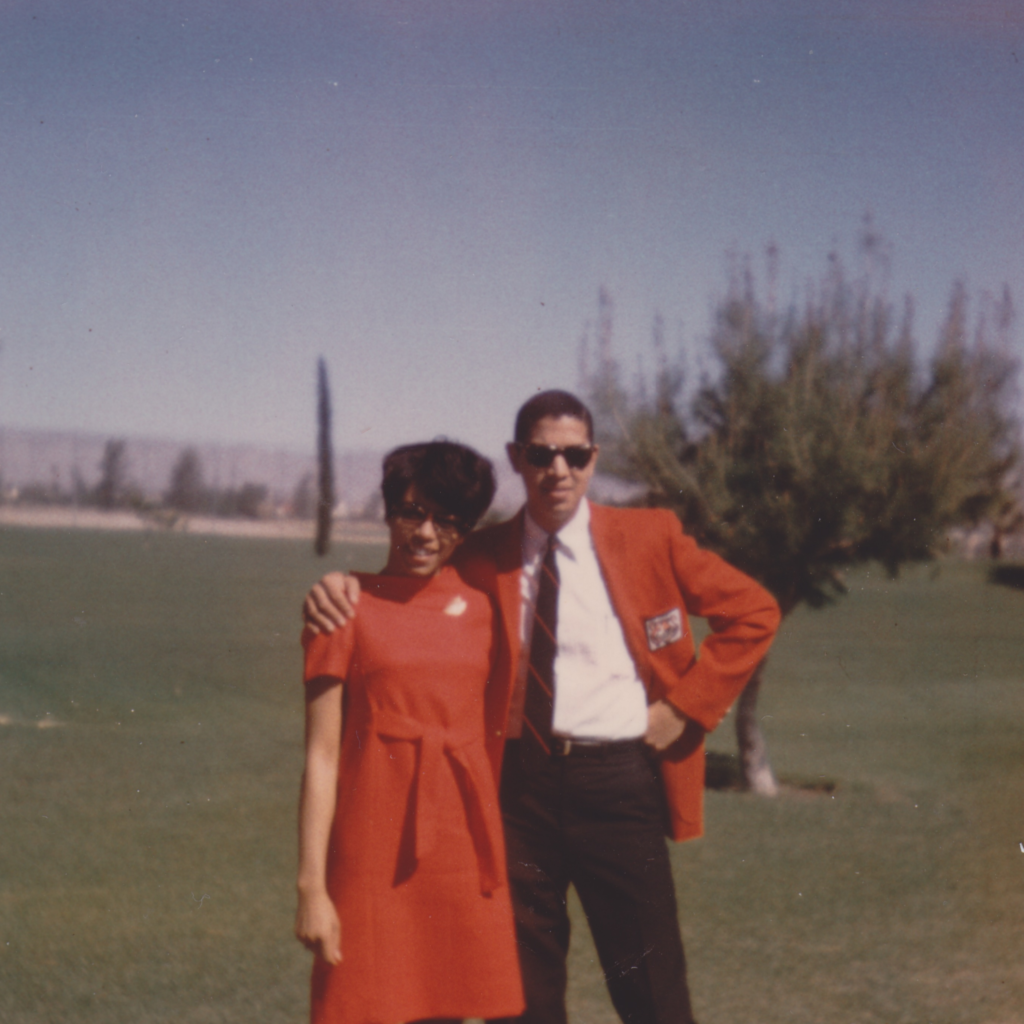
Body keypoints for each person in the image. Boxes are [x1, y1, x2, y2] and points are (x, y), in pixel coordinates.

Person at [304, 391, 781, 1024]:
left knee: (653, 989)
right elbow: (407, 584)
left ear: (593, 458)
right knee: (523, 1000)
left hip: (619, 785)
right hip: (516, 793)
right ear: (517, 458)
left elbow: (754, 612)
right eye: (542, 454)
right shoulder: (479, 554)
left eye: (575, 455)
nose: (559, 469)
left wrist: (685, 710)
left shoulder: (648, 537)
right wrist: (337, 586)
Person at [295, 440, 524, 1024]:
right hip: (372, 852)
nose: (426, 533)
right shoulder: (343, 607)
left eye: (449, 521)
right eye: (412, 512)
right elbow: (320, 758)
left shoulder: (482, 610)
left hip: (460, 854)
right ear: (388, 509)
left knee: (447, 1010)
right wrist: (311, 889)